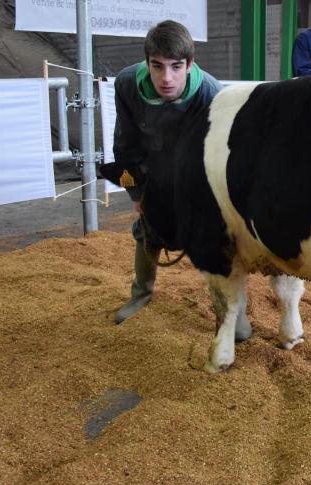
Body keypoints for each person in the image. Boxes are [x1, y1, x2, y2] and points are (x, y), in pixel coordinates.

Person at [111, 21, 244, 334]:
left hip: (197, 174)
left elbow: (223, 157)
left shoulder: (213, 95)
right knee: (146, 230)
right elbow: (124, 145)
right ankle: (140, 294)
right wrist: (136, 196)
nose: (166, 78)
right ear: (147, 63)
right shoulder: (127, 84)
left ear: (189, 64)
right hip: (152, 170)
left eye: (175, 66)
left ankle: (232, 313)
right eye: (157, 66)